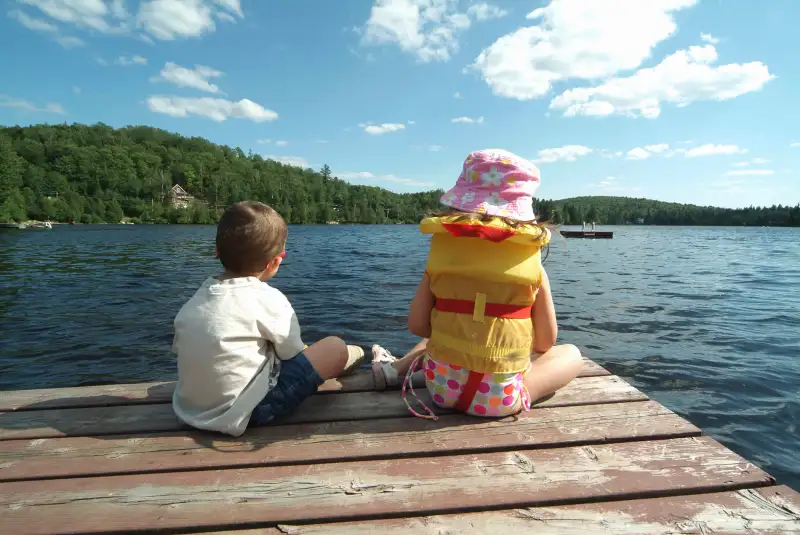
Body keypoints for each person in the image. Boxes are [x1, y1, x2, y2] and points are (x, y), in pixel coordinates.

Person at [371, 149, 583, 420]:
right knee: (572, 354)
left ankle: (398, 370)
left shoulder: (442, 260)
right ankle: (516, 388)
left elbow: (418, 325)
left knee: (448, 325)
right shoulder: (532, 267)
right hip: (497, 400)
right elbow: (545, 342)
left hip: (441, 390)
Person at [171, 201, 364, 436]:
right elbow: (292, 354)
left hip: (189, 410)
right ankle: (357, 354)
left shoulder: (195, 300)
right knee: (335, 347)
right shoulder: (268, 299)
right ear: (275, 262)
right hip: (251, 413)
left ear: (217, 252)